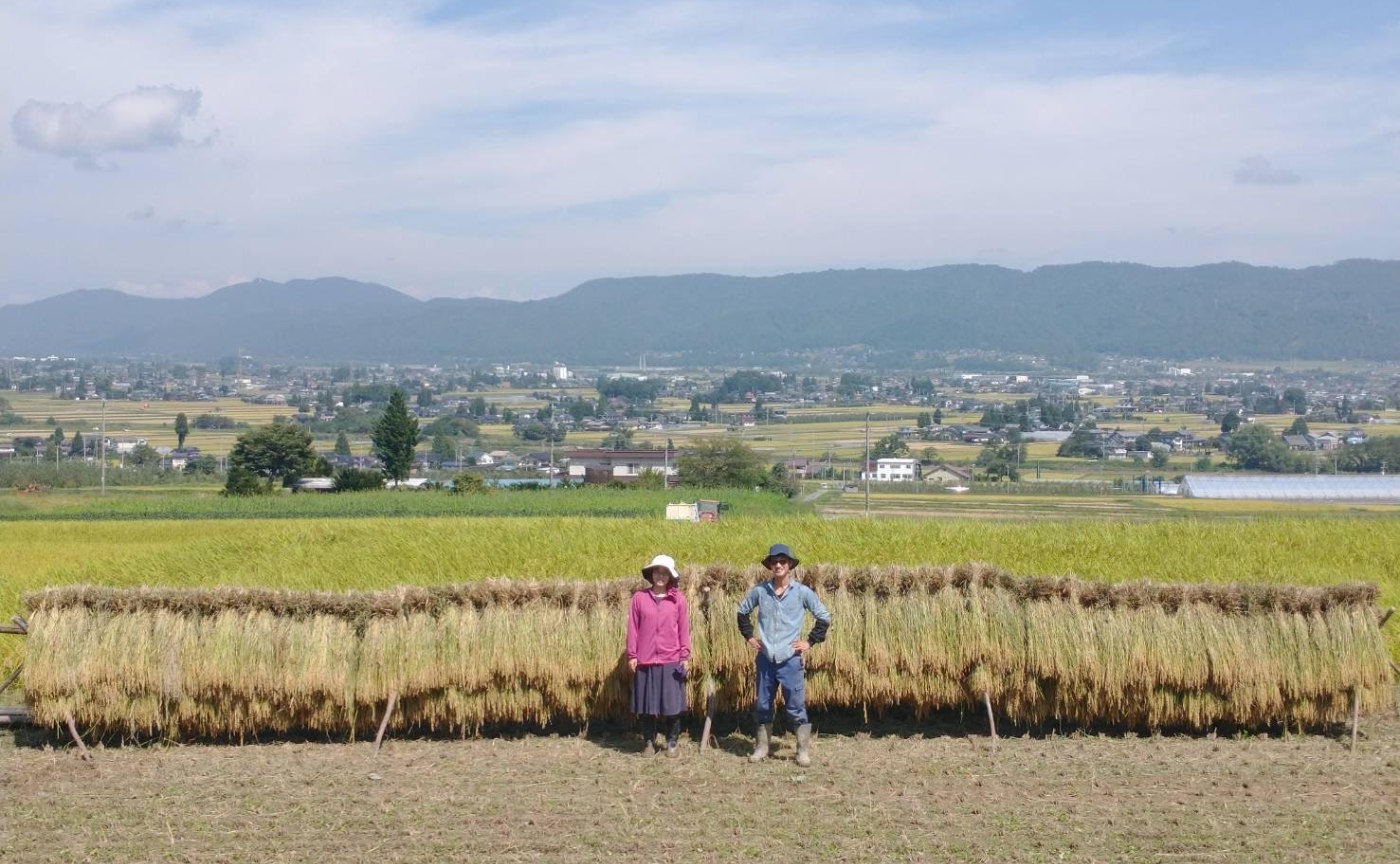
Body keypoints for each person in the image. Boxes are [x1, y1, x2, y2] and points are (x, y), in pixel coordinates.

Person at [736, 543, 830, 767]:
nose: (778, 565)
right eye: (774, 562)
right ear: (769, 565)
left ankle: (802, 751)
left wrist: (809, 642)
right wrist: (749, 637)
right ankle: (761, 747)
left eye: (783, 561)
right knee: (763, 705)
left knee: (796, 706)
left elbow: (824, 617)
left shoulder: (802, 593)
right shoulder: (760, 591)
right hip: (766, 659)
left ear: (790, 566)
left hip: (790, 661)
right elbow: (742, 613)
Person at [626, 554, 692, 757]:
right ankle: (648, 742)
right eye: (657, 571)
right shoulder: (639, 598)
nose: (660, 576)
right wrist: (632, 655)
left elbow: (683, 629)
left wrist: (684, 655)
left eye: (665, 572)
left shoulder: (678, 600)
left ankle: (672, 742)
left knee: (672, 705)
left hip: (670, 658)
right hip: (646, 659)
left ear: (671, 576)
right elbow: (633, 629)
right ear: (651, 574)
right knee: (646, 705)